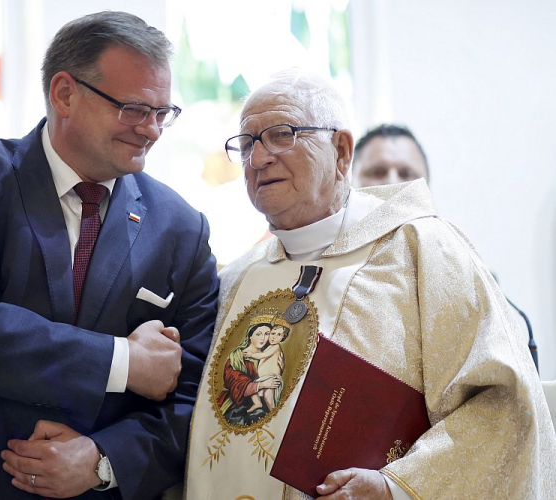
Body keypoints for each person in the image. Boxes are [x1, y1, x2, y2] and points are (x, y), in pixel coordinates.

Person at [0, 11, 218, 500]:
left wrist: (102, 460)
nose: (151, 130)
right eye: (134, 109)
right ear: (65, 93)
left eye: (163, 113)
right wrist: (123, 361)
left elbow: (192, 401)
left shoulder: (181, 227)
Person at [185, 73, 556, 499]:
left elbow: (504, 404)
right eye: (247, 144)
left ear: (341, 152)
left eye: (281, 135)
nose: (259, 158)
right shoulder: (236, 278)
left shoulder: (424, 250)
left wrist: (395, 488)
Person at [353, 123, 539, 369]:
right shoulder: (323, 267)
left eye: (406, 173)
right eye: (377, 171)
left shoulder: (463, 271)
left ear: (426, 187)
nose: (392, 182)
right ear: (351, 181)